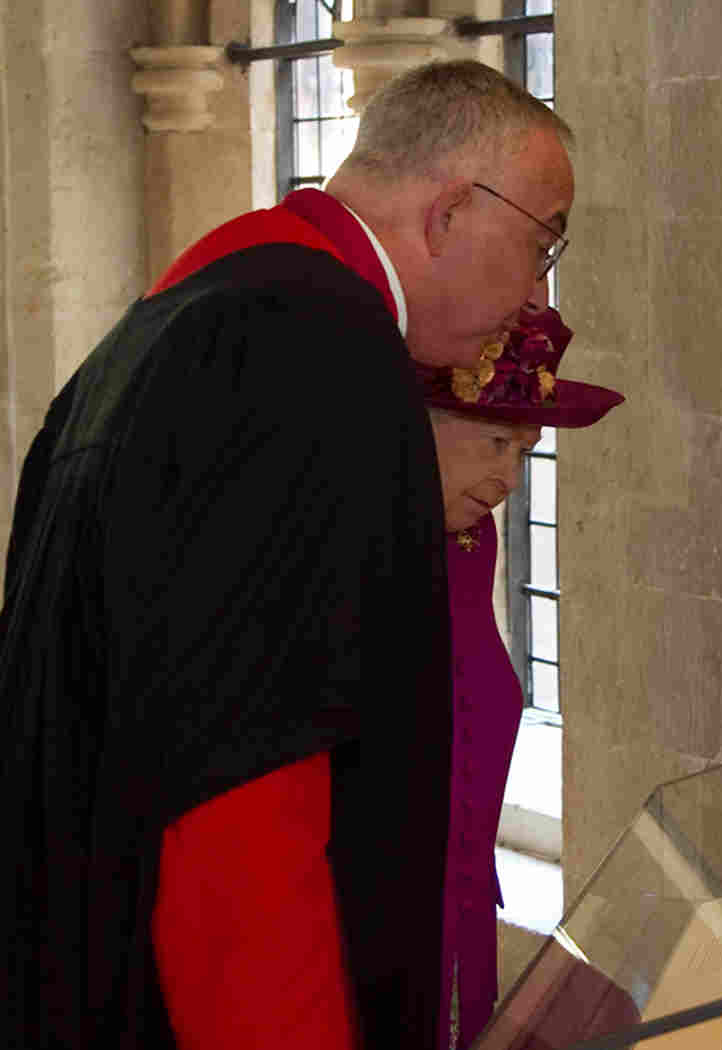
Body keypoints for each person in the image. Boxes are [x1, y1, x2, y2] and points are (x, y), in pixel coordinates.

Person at [0, 59, 595, 1050]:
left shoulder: (206, 314)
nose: (537, 292)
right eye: (541, 244)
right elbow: (242, 804)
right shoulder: (306, 349)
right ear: (450, 211)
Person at [414, 302, 621, 1050]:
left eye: (524, 451)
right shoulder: (347, 558)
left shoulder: (468, 537)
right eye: (497, 441)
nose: (509, 476)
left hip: (463, 901)